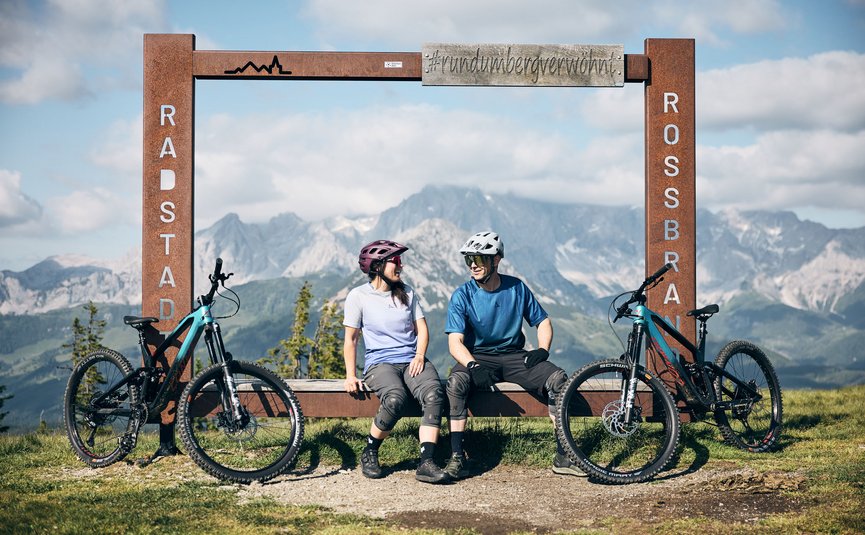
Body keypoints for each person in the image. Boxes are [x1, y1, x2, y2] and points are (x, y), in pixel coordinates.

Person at [443, 231, 585, 479]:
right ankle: (457, 457)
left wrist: (542, 350)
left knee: (558, 380)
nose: (473, 265)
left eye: (478, 258)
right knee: (456, 382)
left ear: (495, 260)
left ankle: (564, 454)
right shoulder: (462, 295)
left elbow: (543, 322)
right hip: (477, 356)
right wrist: (473, 366)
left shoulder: (517, 288)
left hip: (514, 356)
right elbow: (455, 343)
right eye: (469, 260)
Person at [343, 239, 449, 484]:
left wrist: (420, 355)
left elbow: (422, 330)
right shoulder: (358, 296)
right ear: (378, 266)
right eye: (396, 261)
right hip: (380, 363)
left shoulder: (408, 292)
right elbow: (351, 339)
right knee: (395, 398)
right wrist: (350, 375)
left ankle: (427, 462)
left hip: (412, 359)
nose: (400, 266)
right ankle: (370, 450)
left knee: (434, 394)